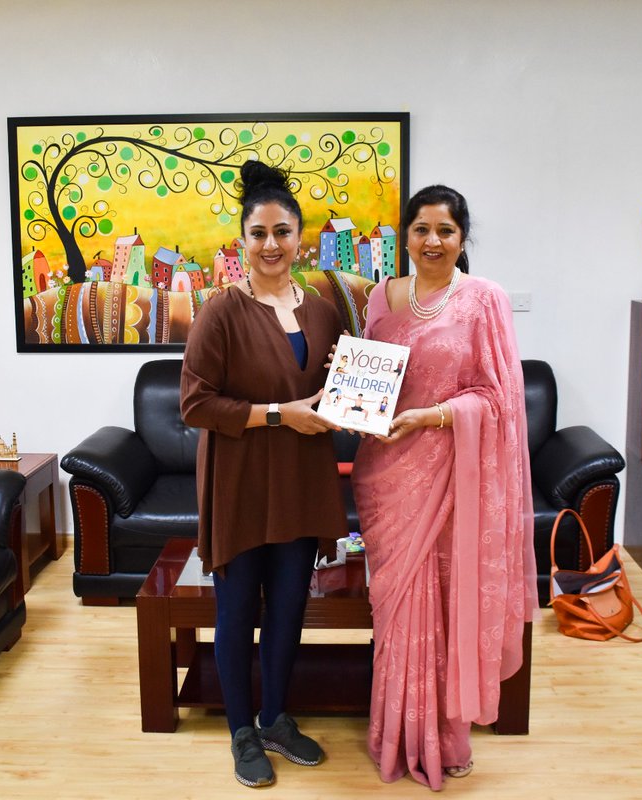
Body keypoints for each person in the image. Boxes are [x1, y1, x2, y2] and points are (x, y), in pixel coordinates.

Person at [351, 184, 538, 790]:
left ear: (462, 239)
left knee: (444, 601)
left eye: (446, 231)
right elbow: (375, 385)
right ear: (403, 235)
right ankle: (397, 732)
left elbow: (497, 399)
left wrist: (432, 417)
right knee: (398, 608)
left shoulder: (484, 300)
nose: (433, 242)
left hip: (451, 475)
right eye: (421, 229)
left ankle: (442, 739)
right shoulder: (381, 296)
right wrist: (350, 393)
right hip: (383, 477)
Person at [180, 160, 347, 788]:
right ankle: (241, 731)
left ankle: (277, 716)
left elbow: (333, 395)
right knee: (235, 611)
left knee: (288, 609)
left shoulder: (325, 311)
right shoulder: (219, 311)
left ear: (300, 237)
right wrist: (278, 415)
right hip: (241, 481)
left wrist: (346, 387)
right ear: (242, 240)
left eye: (282, 232)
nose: (271, 245)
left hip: (302, 481)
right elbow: (195, 404)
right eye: (259, 233)